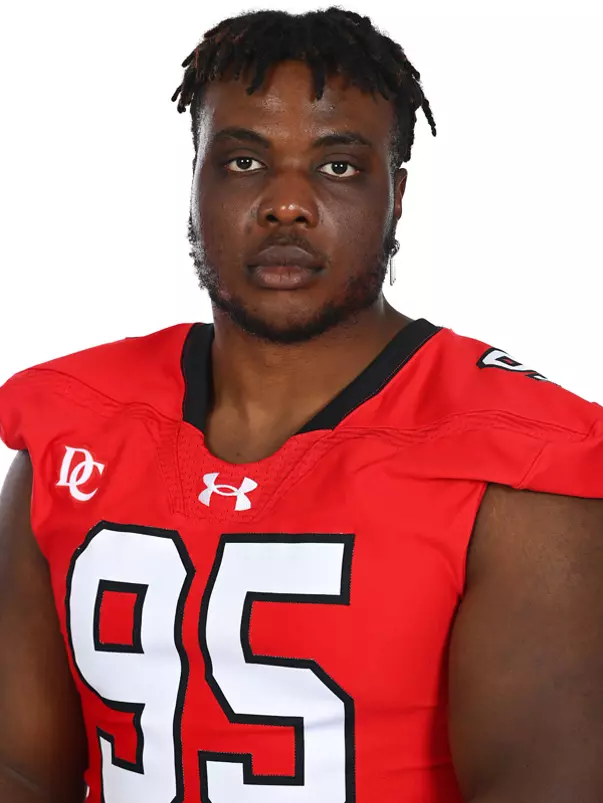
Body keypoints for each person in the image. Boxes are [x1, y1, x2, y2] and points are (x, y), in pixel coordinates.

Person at [0, 7, 602, 802]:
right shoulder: (74, 424)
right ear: (196, 181)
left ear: (398, 193)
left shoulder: (522, 460)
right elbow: (19, 766)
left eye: (338, 166)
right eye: (244, 162)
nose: (287, 204)